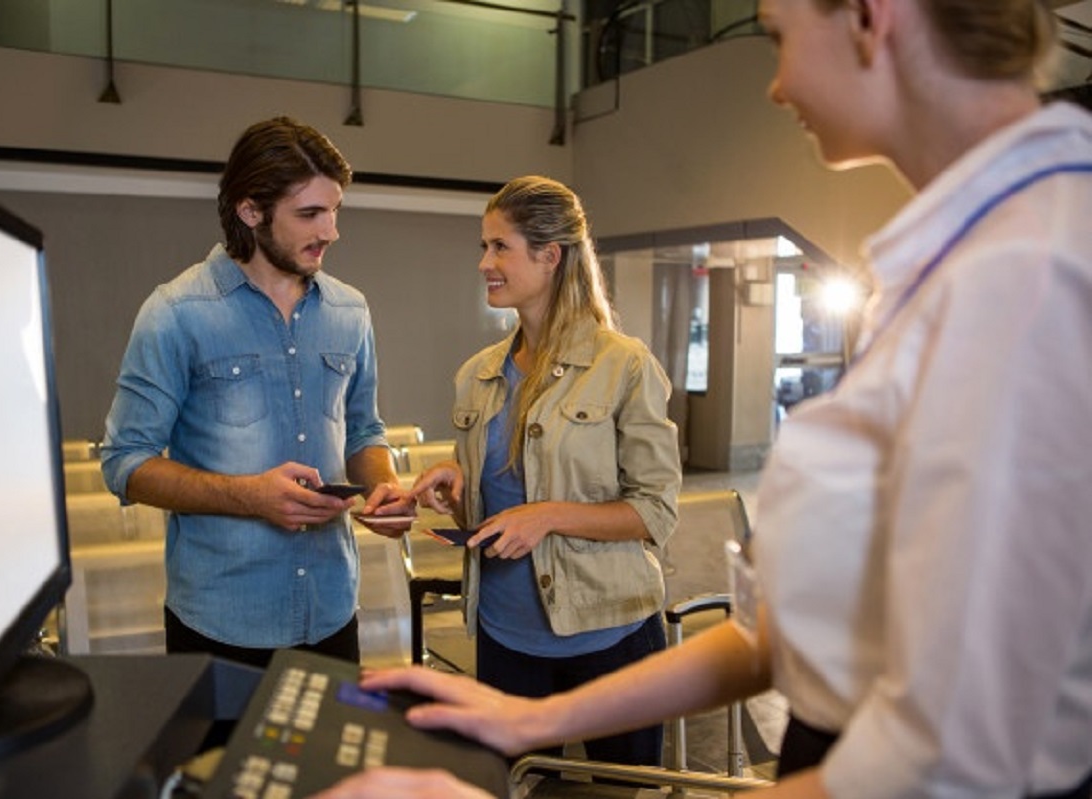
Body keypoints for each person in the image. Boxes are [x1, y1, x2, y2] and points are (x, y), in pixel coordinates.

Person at [308, 0, 1092, 797]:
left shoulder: (1027, 280)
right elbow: (772, 635)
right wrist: (529, 723)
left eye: (779, 35)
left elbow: (951, 764)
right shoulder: (950, 266)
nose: (778, 86)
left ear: (870, 14)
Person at [100, 116, 414, 670]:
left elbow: (364, 428)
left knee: (326, 761)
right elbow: (126, 462)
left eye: (335, 210)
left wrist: (383, 485)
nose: (331, 230)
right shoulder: (175, 313)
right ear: (251, 212)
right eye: (310, 214)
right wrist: (248, 496)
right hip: (219, 620)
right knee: (218, 764)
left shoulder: (350, 310)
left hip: (331, 610)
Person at [408, 175, 682, 767]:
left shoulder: (624, 366)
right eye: (484, 247)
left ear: (550, 255)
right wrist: (457, 485)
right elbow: (493, 509)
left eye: (499, 247)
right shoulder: (476, 374)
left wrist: (547, 517)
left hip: (610, 638)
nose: (485, 263)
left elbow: (655, 511)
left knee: (620, 793)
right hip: (506, 637)